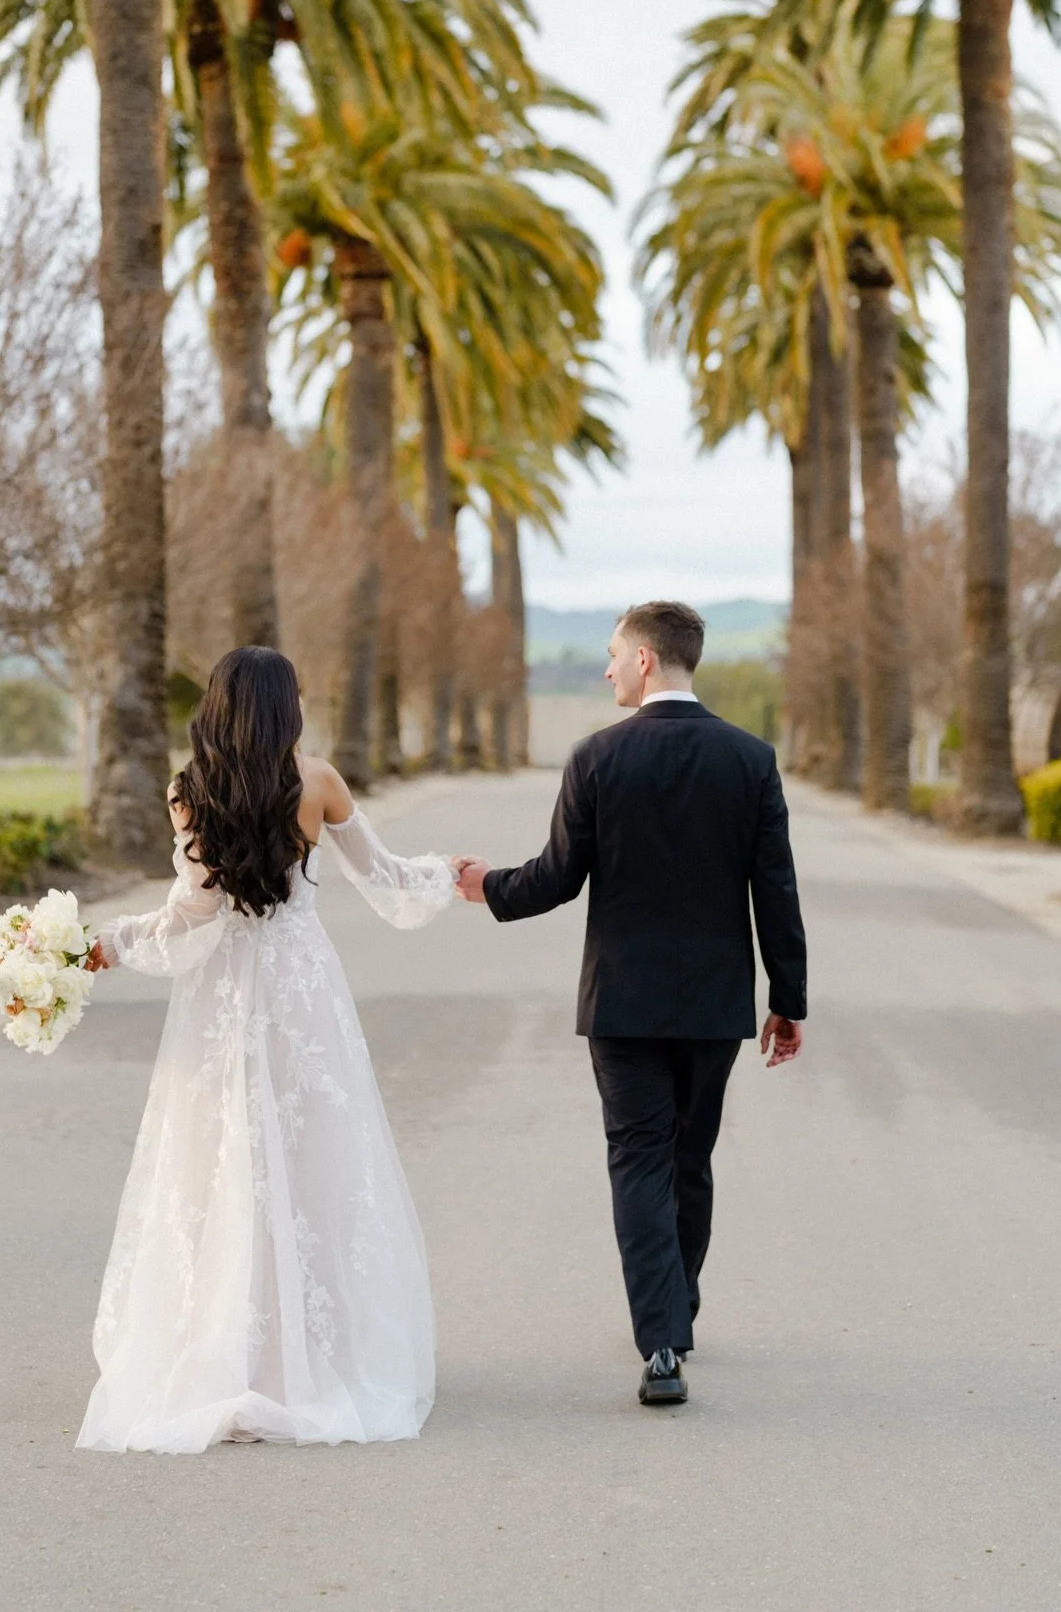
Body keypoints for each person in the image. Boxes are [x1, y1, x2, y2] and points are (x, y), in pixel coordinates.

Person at [78, 646, 455, 1455]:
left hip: (219, 993)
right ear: (285, 707)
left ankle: (224, 1357)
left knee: (220, 1158)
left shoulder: (190, 790)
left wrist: (109, 944)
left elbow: (192, 915)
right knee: (310, 1157)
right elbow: (386, 880)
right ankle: (302, 1363)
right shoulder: (316, 782)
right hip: (298, 990)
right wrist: (446, 874)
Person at [453, 600, 806, 1408]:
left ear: (645, 660)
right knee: (689, 1159)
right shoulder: (750, 760)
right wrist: (787, 999)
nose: (608, 668)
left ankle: (661, 1342)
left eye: (614, 654)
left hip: (621, 1004)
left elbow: (555, 877)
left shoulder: (598, 756)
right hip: (715, 1007)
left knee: (640, 1160)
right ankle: (676, 1312)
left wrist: (483, 886)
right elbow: (776, 891)